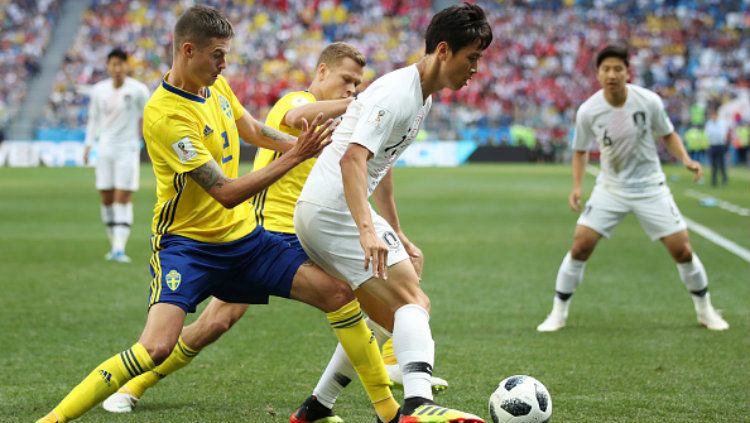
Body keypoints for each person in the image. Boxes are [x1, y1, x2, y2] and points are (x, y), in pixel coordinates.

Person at [36, 6, 398, 423]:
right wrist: (297, 154)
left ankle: (389, 414)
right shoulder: (166, 115)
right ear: (188, 51)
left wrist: (311, 151)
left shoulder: (216, 87)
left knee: (337, 293)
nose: (224, 64)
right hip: (188, 247)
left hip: (245, 240)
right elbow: (224, 193)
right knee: (155, 347)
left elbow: (256, 131)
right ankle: (55, 419)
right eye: (218, 56)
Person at [101, 41, 447, 419]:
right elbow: (295, 117)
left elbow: (376, 174)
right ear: (321, 72)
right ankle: (132, 385)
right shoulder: (297, 100)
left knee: (370, 289)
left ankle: (372, 382)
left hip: (312, 236)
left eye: (358, 83)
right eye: (346, 80)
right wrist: (360, 102)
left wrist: (395, 231)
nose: (352, 88)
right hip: (270, 232)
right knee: (217, 322)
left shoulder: (359, 122)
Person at [292, 4, 493, 423]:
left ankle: (317, 407)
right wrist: (367, 230)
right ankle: (418, 406)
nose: (475, 69)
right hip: (332, 209)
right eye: (471, 57)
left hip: (335, 208)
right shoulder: (398, 92)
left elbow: (379, 165)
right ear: (443, 50)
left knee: (387, 317)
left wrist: (395, 232)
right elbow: (352, 160)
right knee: (412, 300)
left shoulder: (423, 97)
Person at [536, 44, 729, 333]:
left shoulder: (648, 101)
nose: (612, 74)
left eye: (618, 68)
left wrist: (686, 159)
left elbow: (668, 134)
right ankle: (558, 314)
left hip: (650, 187)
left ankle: (706, 311)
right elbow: (580, 151)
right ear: (598, 74)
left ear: (628, 72)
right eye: (606, 69)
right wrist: (577, 187)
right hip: (610, 188)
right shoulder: (588, 110)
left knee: (683, 251)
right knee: (580, 246)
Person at [83, 48, 150, 263]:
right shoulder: (98, 90)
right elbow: (93, 119)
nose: (117, 68)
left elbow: (148, 117)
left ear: (127, 66)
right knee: (106, 198)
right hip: (104, 149)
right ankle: (114, 245)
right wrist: (88, 145)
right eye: (113, 64)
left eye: (121, 64)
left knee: (123, 197)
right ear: (108, 66)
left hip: (127, 149)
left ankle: (120, 248)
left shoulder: (138, 90)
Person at [704, 109, 730, 187]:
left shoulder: (722, 123)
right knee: (713, 164)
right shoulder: (709, 123)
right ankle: (714, 180)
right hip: (712, 145)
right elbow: (707, 134)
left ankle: (724, 179)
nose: (713, 117)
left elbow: (722, 133)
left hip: (720, 145)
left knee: (722, 164)